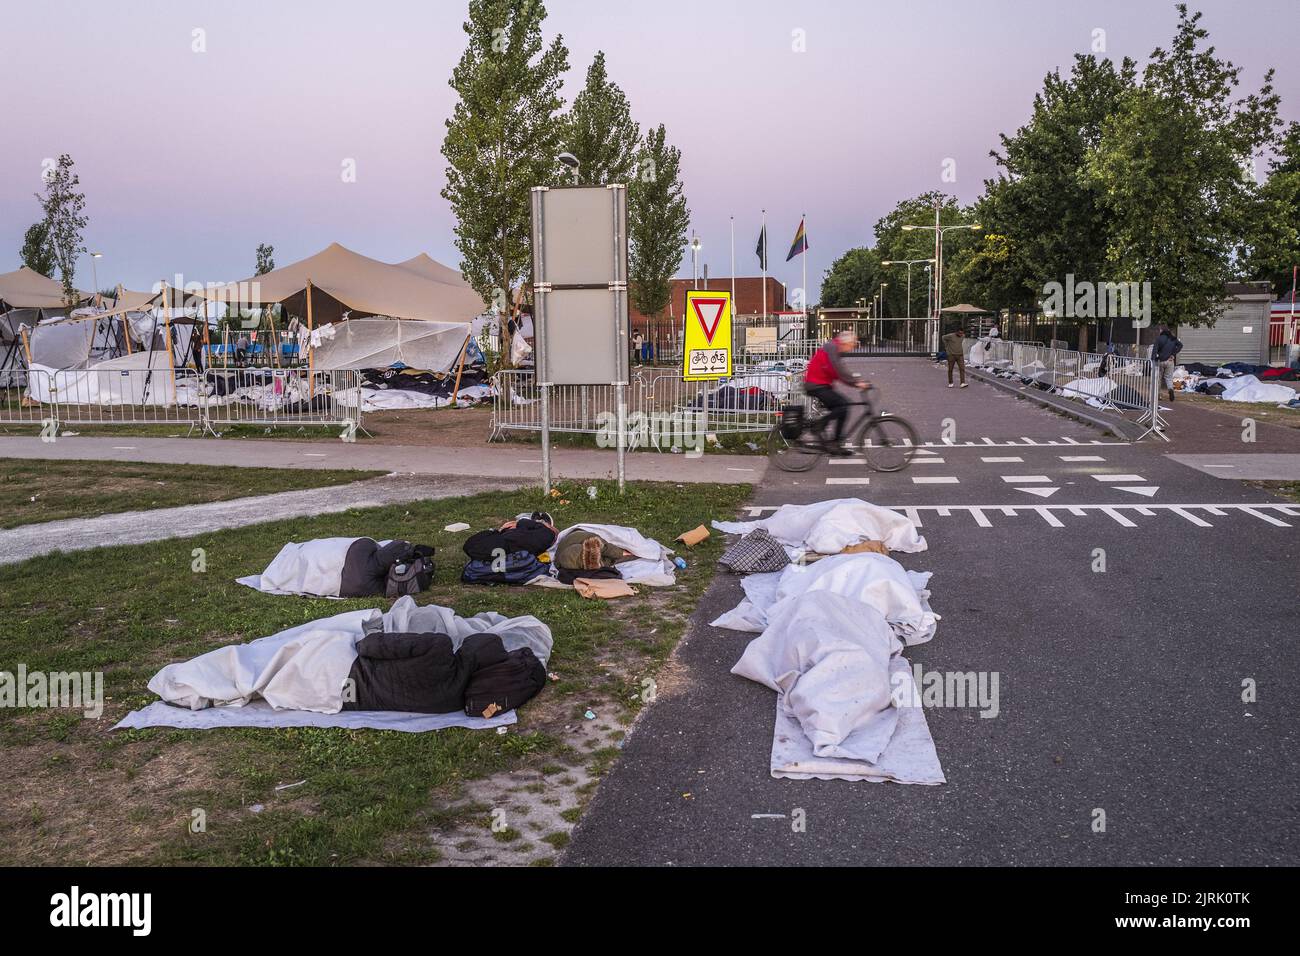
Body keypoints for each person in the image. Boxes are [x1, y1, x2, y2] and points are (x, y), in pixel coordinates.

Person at [803, 330, 869, 455]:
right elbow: (839, 370)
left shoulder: (834, 348)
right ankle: (819, 425)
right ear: (846, 343)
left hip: (821, 384)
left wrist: (856, 381)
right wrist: (857, 383)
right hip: (815, 385)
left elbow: (840, 370)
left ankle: (836, 444)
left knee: (843, 408)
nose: (852, 347)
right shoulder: (832, 347)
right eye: (852, 344)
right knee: (842, 406)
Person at [1150, 325, 1183, 402]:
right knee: (1168, 377)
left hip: (1160, 361)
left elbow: (1154, 351)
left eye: (1160, 330)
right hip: (1170, 361)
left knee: (1158, 378)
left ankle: (1157, 395)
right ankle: (1170, 389)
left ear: (1161, 330)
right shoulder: (1173, 338)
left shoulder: (1159, 339)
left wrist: (1153, 360)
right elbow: (1180, 345)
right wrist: (1173, 354)